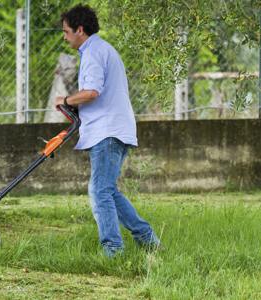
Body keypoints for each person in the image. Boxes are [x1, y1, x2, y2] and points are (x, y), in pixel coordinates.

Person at [55, 4, 160, 257]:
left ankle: (112, 249)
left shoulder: (92, 53)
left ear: (80, 30)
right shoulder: (102, 50)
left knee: (99, 190)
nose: (65, 36)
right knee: (109, 190)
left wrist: (66, 101)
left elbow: (92, 92)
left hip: (108, 132)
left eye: (67, 31)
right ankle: (148, 240)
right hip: (116, 129)